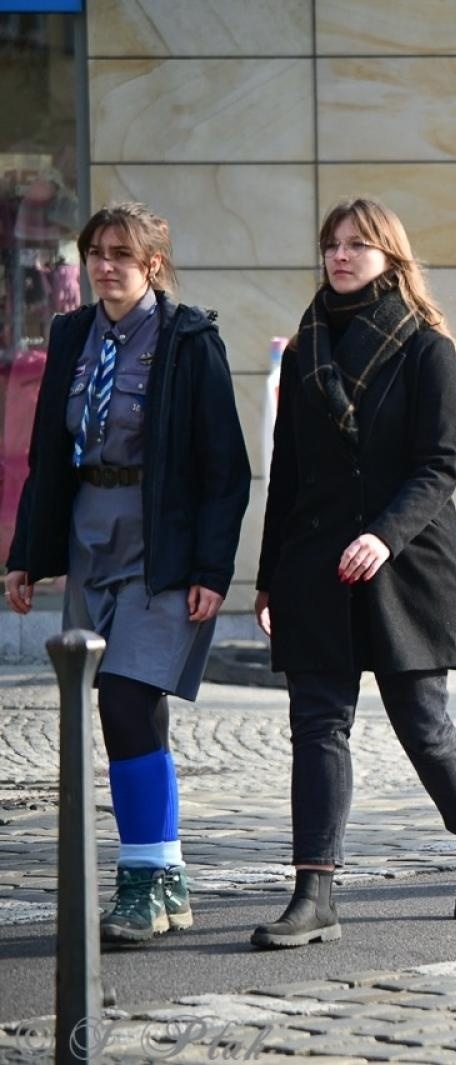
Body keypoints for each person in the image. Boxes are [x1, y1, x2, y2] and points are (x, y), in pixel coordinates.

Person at [251, 198, 456, 948]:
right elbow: (288, 475)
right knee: (317, 725)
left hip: (407, 562)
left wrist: (383, 537)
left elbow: (439, 466)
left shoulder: (427, 348)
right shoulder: (304, 350)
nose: (340, 254)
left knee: (422, 724)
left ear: (391, 255)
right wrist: (268, 576)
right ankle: (314, 891)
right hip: (314, 564)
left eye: (357, 243)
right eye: (332, 243)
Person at [4, 202, 250, 945]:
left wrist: (212, 566)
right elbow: (50, 452)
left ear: (152, 264)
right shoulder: (73, 333)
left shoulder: (188, 339)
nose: (106, 265)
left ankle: (142, 881)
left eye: (121, 253)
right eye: (96, 252)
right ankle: (165, 873)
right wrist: (26, 553)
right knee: (124, 713)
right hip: (90, 540)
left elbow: (225, 468)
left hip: (161, 549)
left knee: (127, 700)